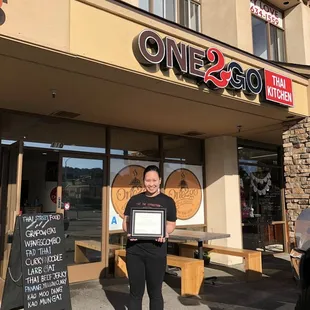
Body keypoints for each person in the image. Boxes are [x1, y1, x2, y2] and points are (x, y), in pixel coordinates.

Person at [122, 165, 177, 310]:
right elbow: (125, 223)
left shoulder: (168, 201)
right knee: (135, 293)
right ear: (143, 181)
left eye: (154, 180)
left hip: (157, 252)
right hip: (135, 252)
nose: (151, 184)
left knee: (155, 293)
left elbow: (171, 224)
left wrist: (164, 232)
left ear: (160, 181)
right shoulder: (134, 200)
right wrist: (130, 232)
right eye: (148, 180)